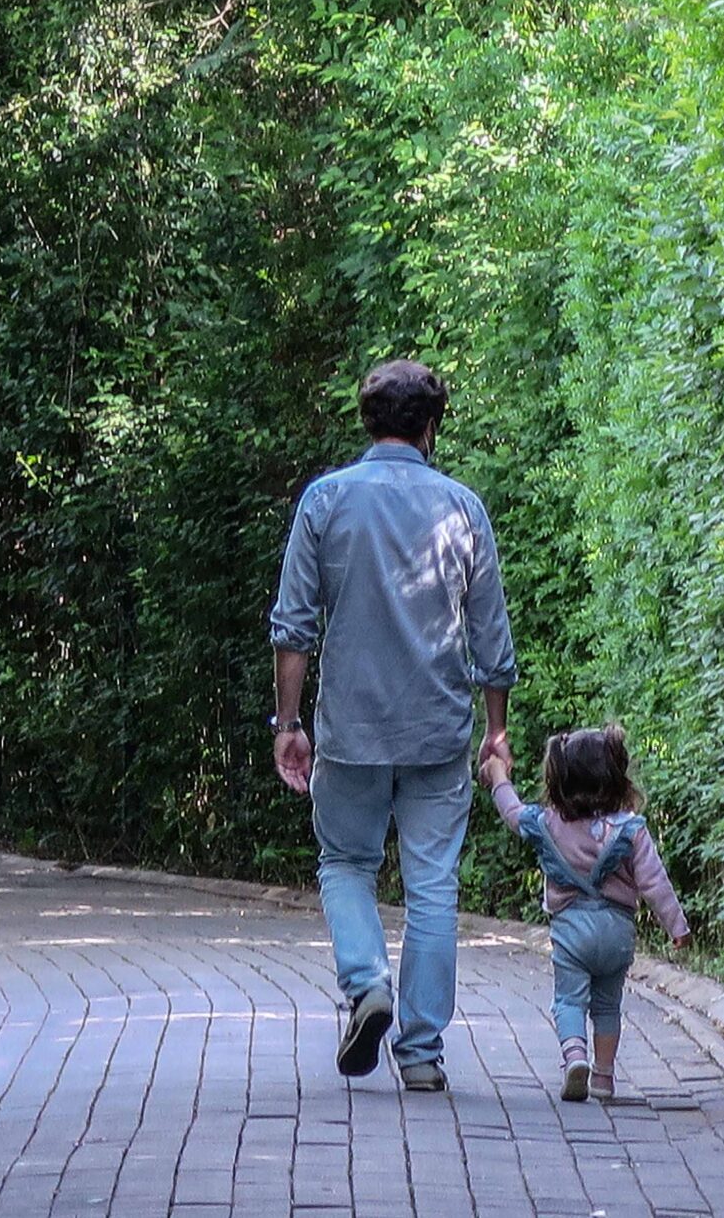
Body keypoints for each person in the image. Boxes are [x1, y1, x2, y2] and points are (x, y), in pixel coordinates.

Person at [268, 360, 516, 1093]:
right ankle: (422, 1051)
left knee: (346, 861)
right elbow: (492, 638)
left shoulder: (325, 500)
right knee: (433, 884)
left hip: (350, 728)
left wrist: (288, 722)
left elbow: (293, 626)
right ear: (432, 425)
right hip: (439, 729)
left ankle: (366, 981)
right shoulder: (463, 508)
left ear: (367, 420)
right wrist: (494, 731)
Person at [479, 725, 689, 1102]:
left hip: (571, 932)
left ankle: (575, 1057)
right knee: (608, 1004)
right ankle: (604, 1078)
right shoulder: (632, 830)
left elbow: (512, 813)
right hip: (617, 933)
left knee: (569, 1000)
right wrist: (677, 926)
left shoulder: (547, 824)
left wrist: (498, 778)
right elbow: (656, 882)